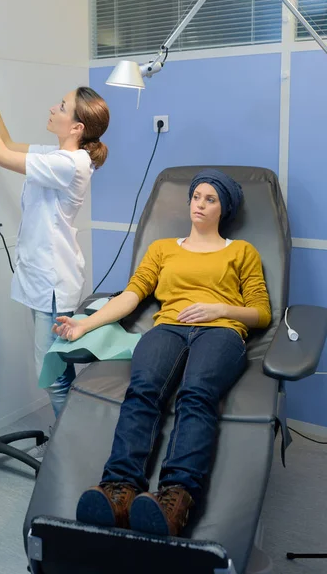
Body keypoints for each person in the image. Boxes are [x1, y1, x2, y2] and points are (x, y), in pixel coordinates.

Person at [53, 169, 271, 536]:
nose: (199, 204)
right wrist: (83, 324)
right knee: (142, 392)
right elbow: (131, 295)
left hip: (221, 332)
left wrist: (220, 309)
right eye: (196, 197)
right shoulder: (163, 249)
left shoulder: (242, 252)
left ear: (224, 208)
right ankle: (118, 490)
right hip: (167, 328)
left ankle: (176, 498)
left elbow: (261, 312)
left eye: (210, 199)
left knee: (197, 394)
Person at [0, 67, 110, 458]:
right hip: (42, 276)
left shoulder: (71, 164)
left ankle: (70, 448)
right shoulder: (59, 154)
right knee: (54, 365)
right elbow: (9, 142)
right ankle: (69, 435)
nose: (54, 108)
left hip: (53, 281)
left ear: (77, 127)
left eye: (62, 106)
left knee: (50, 371)